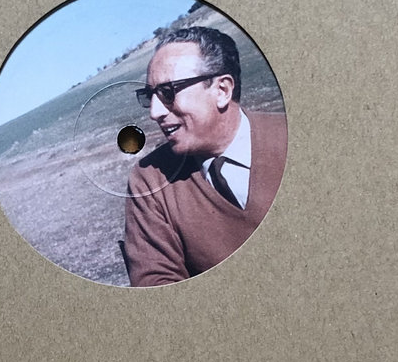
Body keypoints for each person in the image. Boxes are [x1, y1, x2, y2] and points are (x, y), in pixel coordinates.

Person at [122, 26, 287, 286]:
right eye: (149, 96)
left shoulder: (291, 137)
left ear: (222, 90)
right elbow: (155, 283)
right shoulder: (150, 179)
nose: (155, 112)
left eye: (167, 92)